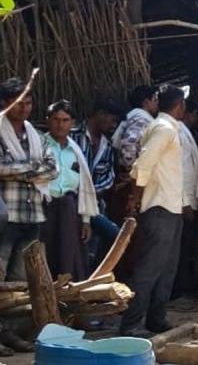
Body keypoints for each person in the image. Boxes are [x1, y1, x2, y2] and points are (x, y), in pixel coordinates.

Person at [119, 85, 186, 337]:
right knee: (149, 268)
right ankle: (131, 323)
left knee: (167, 268)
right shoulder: (164, 128)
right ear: (180, 105)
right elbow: (142, 164)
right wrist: (135, 198)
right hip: (159, 206)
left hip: (170, 204)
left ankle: (156, 319)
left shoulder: (165, 127)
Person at [0, 78, 58, 282]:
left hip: (32, 214)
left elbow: (53, 169)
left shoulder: (37, 136)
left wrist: (18, 170)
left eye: (28, 103)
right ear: (5, 104)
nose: (24, 108)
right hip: (6, 215)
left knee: (22, 278)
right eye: (18, 103)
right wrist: (33, 167)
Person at [42, 100, 99, 281]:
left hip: (68, 209)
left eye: (65, 120)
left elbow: (84, 186)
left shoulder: (76, 150)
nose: (60, 124)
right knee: (44, 255)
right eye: (56, 119)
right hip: (44, 207)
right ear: (48, 120)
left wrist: (86, 220)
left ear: (72, 122)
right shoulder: (39, 145)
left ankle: (67, 295)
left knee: (68, 256)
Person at [71, 99, 122, 268]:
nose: (114, 125)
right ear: (100, 115)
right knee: (114, 234)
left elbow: (108, 178)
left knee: (93, 250)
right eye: (112, 120)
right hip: (72, 202)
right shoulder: (73, 136)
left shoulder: (107, 146)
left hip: (94, 205)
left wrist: (90, 193)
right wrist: (83, 192)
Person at [108, 85, 158, 224]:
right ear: (146, 102)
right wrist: (133, 173)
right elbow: (128, 147)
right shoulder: (141, 118)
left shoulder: (133, 116)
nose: (157, 103)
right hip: (130, 183)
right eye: (155, 99)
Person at [174, 99, 198, 297]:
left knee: (185, 244)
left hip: (188, 198)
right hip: (181, 201)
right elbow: (179, 169)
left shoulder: (184, 131)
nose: (196, 119)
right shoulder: (175, 131)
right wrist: (185, 202)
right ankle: (177, 287)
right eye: (194, 114)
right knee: (180, 245)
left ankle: (182, 283)